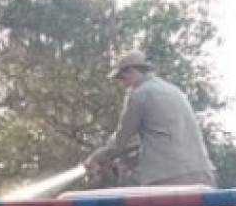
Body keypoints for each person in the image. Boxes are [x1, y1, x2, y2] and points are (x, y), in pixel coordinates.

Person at [84, 50, 216, 187]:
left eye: (123, 78)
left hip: (168, 179)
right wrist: (127, 161)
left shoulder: (140, 93)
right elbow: (161, 137)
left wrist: (97, 158)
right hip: (202, 175)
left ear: (132, 71)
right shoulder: (174, 91)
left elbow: (123, 139)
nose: (123, 85)